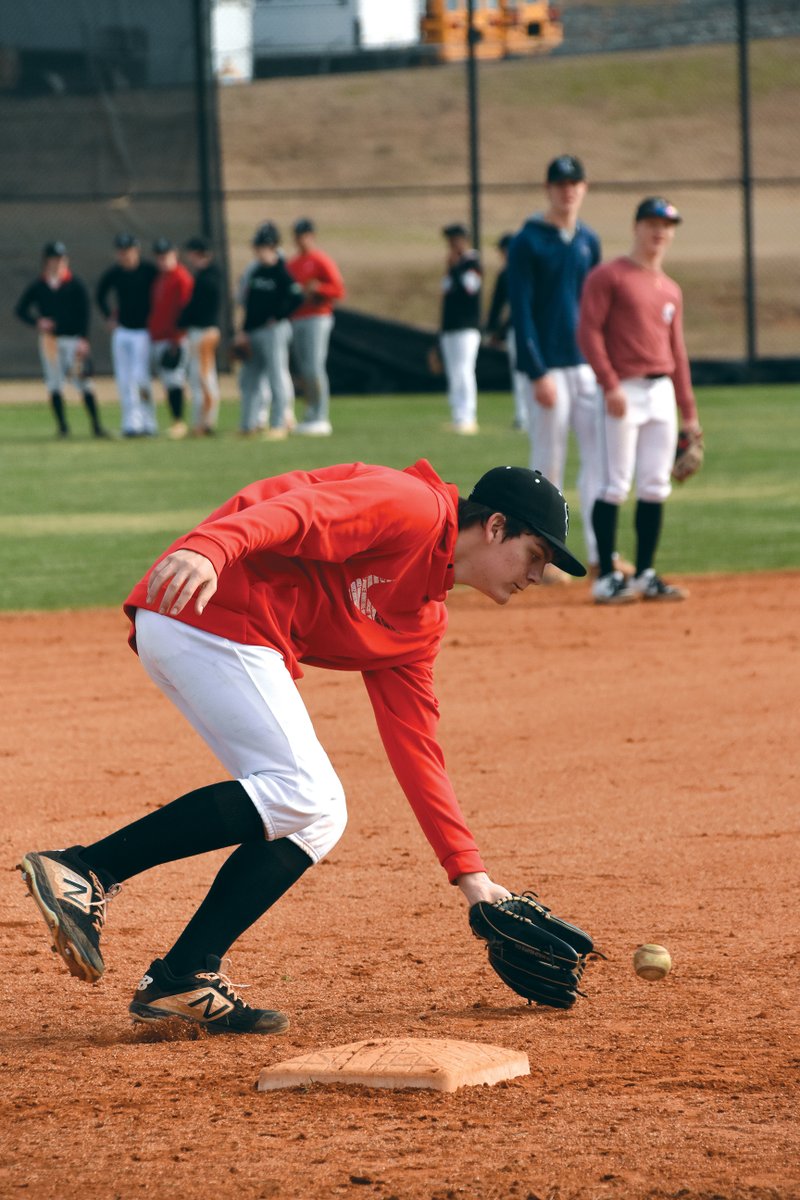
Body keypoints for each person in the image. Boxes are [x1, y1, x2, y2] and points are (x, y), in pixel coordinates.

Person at [18, 459, 586, 1035]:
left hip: (222, 634)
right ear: (494, 527)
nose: (538, 575)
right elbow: (295, 513)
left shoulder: (419, 620)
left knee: (317, 817)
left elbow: (417, 749)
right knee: (302, 790)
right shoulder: (414, 508)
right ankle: (85, 869)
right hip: (210, 605)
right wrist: (211, 548)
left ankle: (183, 978)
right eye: (536, 555)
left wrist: (473, 879)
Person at [508, 155, 634, 581]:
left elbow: (595, 308)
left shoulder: (587, 240)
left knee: (599, 461)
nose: (568, 190)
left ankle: (603, 554)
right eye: (561, 183)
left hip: (584, 366)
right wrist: (536, 369)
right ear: (548, 188)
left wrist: (604, 363)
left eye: (575, 182)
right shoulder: (528, 240)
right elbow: (520, 310)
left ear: (585, 188)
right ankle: (541, 561)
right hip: (547, 367)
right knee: (549, 464)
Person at [578, 197, 701, 605]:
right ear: (636, 227)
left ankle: (646, 573)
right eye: (652, 223)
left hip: (660, 390)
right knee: (614, 484)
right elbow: (589, 332)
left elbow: (678, 352)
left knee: (654, 483)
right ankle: (607, 577)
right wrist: (609, 384)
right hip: (623, 390)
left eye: (667, 225)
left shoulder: (671, 289)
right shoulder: (608, 275)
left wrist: (690, 415)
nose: (659, 232)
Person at [14, 241, 109, 440]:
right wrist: (37, 322)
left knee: (83, 382)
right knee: (54, 383)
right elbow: (20, 310)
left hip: (74, 340)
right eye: (54, 259)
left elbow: (85, 313)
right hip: (51, 341)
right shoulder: (40, 285)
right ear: (46, 262)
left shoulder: (75, 284)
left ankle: (96, 426)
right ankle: (63, 427)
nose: (58, 263)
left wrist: (84, 339)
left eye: (61, 259)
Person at [235, 222, 304, 440]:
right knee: (249, 378)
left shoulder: (281, 271)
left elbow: (297, 296)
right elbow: (250, 304)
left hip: (274, 331)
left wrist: (279, 316)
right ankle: (249, 424)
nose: (258, 251)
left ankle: (279, 423)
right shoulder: (256, 272)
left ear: (272, 246)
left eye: (262, 246)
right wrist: (243, 330)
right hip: (254, 330)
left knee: (276, 375)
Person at [96, 233, 158, 437]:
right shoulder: (116, 273)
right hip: (123, 331)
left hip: (143, 332)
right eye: (121, 252)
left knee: (141, 378)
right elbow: (100, 294)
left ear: (136, 250)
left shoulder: (149, 271)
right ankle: (131, 424)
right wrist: (109, 317)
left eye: (128, 251)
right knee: (124, 379)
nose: (125, 256)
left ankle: (148, 423)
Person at [287, 218, 345, 436]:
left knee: (314, 366)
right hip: (298, 318)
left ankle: (320, 415)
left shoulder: (320, 260)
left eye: (304, 235)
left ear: (311, 236)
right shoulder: (293, 264)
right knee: (303, 368)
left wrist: (319, 288)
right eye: (297, 235)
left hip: (317, 317)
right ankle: (310, 414)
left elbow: (338, 290)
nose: (300, 240)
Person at [148, 238, 194, 440]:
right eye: (159, 257)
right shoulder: (160, 279)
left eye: (166, 256)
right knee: (168, 381)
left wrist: (178, 337)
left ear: (174, 255)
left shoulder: (181, 278)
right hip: (159, 337)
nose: (163, 260)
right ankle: (175, 420)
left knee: (175, 379)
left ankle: (179, 422)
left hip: (174, 338)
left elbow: (186, 309)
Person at [439, 222, 482, 436]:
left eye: (454, 239)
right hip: (451, 326)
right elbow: (445, 290)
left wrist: (456, 268)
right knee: (454, 372)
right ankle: (458, 415)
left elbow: (470, 287)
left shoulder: (472, 261)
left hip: (467, 326)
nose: (451, 244)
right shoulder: (452, 263)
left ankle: (468, 416)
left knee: (465, 370)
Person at [178, 236, 223, 437]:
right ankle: (201, 422)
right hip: (203, 331)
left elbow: (198, 307)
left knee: (203, 378)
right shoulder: (208, 275)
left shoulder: (208, 277)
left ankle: (205, 423)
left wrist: (182, 319)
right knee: (200, 377)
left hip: (204, 331)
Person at [484, 232, 529, 433]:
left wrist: (495, 332)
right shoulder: (523, 271)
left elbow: (502, 307)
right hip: (530, 333)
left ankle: (524, 416)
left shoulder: (513, 273)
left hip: (522, 333)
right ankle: (526, 416)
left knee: (522, 376)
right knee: (526, 376)